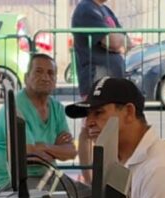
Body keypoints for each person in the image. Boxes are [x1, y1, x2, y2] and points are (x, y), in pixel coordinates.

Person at [0, 54, 89, 198]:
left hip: (49, 176)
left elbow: (71, 152)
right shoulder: (15, 106)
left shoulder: (57, 108)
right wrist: (55, 149)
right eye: (38, 71)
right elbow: (29, 153)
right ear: (26, 78)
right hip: (13, 184)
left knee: (91, 197)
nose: (45, 77)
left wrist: (43, 147)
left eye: (50, 73)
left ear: (55, 81)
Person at [71, 0, 126, 184]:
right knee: (91, 128)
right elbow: (114, 41)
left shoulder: (105, 10)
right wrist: (116, 41)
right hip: (95, 78)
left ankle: (108, 178)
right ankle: (89, 180)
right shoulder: (86, 9)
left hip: (111, 79)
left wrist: (118, 41)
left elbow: (124, 41)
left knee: (108, 128)